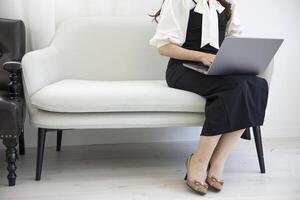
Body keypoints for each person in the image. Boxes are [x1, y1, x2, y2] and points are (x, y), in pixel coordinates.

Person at [149, 0, 269, 195]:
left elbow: (234, 40)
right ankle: (198, 161)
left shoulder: (226, 3)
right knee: (232, 88)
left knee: (256, 84)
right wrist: (201, 57)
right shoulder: (180, 1)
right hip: (183, 67)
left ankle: (218, 161)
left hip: (218, 66)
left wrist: (236, 60)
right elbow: (164, 48)